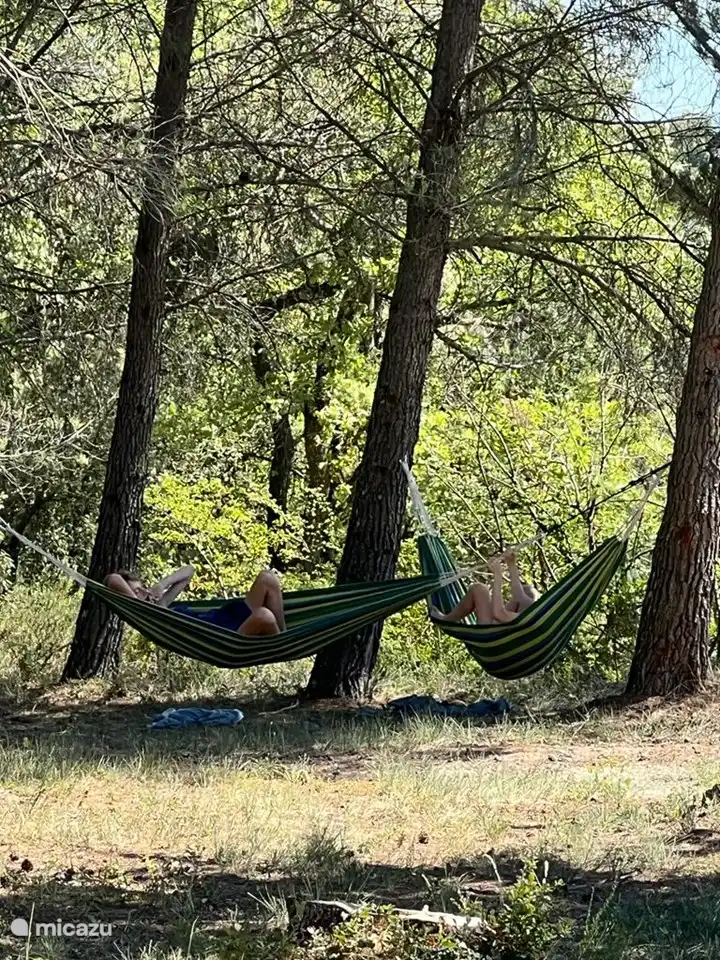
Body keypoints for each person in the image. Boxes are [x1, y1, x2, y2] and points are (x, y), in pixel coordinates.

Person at [104, 565, 286, 636]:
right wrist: (137, 599)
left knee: (267, 577)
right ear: (127, 595)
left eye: (143, 587)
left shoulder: (161, 604)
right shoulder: (151, 614)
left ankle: (284, 637)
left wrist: (161, 585)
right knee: (264, 615)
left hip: (229, 614)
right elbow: (112, 579)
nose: (144, 591)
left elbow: (189, 571)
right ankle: (279, 645)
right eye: (138, 590)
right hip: (224, 635)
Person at [431, 550, 539, 625]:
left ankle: (446, 619)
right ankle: (449, 618)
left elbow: (499, 614)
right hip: (494, 627)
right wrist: (511, 563)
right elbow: (518, 595)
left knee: (478, 589)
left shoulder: (530, 617)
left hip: (492, 635)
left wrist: (498, 575)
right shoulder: (532, 607)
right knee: (481, 589)